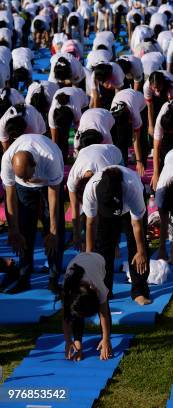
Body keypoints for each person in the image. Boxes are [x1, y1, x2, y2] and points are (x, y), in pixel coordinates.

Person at [0, 134, 65, 293]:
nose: (27, 180)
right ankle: (24, 277)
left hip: (48, 185)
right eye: (21, 176)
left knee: (54, 232)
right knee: (24, 230)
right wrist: (13, 229)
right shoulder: (8, 159)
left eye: (27, 176)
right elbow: (10, 196)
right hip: (23, 191)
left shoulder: (50, 158)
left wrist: (53, 230)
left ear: (34, 164)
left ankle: (53, 277)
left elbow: (53, 196)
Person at [82, 165, 150, 305]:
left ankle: (139, 291)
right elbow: (90, 224)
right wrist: (88, 255)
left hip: (131, 211)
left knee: (137, 248)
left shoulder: (132, 188)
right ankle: (105, 290)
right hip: (106, 216)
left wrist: (141, 251)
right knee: (103, 247)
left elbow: (137, 225)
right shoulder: (91, 190)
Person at [67, 144, 123, 252]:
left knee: (113, 206)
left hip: (113, 153)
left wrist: (114, 243)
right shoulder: (73, 178)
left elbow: (114, 211)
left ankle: (115, 243)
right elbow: (74, 207)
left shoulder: (106, 174)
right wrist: (76, 234)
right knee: (90, 215)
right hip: (87, 153)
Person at [62, 253, 113, 361]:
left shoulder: (98, 286)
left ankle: (104, 341)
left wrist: (106, 339)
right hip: (79, 262)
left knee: (103, 305)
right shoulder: (68, 288)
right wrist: (68, 341)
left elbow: (104, 315)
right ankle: (78, 342)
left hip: (99, 261)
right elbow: (66, 317)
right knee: (76, 311)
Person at [110, 88, 147, 173]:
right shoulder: (112, 114)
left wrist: (139, 162)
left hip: (141, 105)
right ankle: (123, 167)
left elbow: (136, 140)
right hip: (123, 98)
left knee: (142, 139)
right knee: (121, 139)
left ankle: (142, 167)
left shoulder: (135, 115)